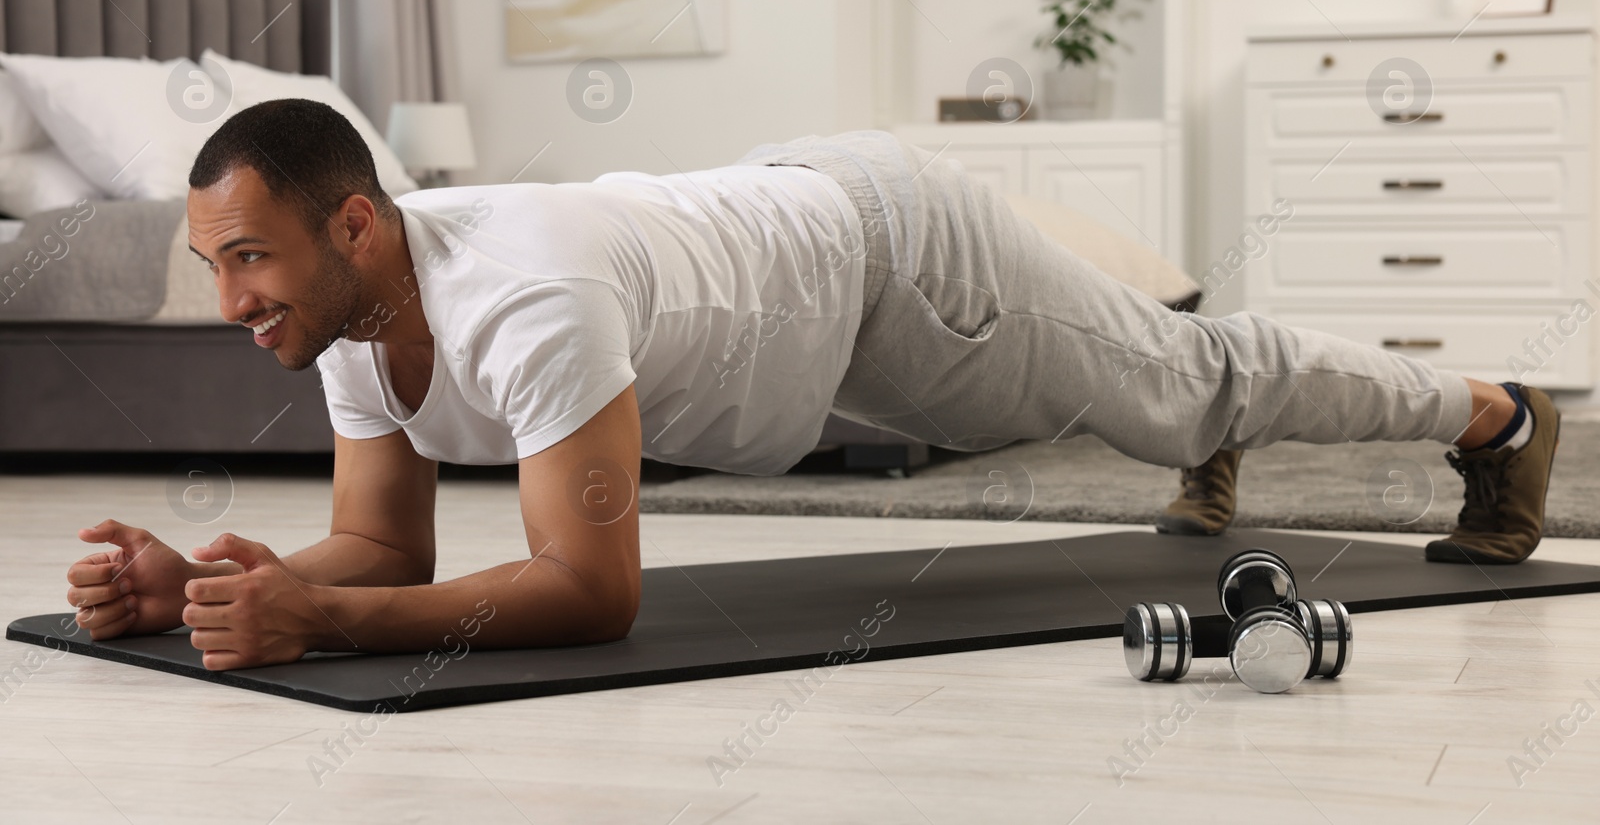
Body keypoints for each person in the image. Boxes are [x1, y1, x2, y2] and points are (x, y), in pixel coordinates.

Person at [64, 101, 1559, 670]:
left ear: (353, 226)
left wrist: (320, 620)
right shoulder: (344, 318)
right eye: (212, 266)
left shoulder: (525, 298)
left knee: (1181, 381)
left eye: (247, 259)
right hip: (805, 284)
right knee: (1149, 390)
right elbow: (388, 549)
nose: (229, 304)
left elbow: (590, 593)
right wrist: (197, 579)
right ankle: (1203, 444)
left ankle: (1494, 414)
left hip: (888, 267)